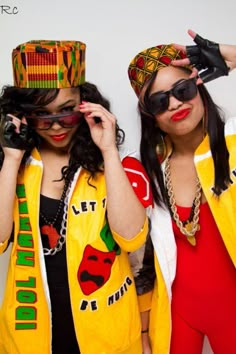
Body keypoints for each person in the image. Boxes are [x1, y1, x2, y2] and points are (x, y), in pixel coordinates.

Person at [0, 39, 154, 354]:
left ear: (85, 104)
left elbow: (131, 238)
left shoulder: (115, 163)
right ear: (23, 115)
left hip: (106, 335)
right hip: (32, 333)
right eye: (42, 114)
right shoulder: (14, 166)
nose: (56, 126)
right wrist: (12, 159)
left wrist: (108, 149)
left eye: (67, 112)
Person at [127, 30, 236, 354]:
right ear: (151, 116)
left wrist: (232, 56)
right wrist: (144, 328)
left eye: (183, 89)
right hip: (176, 315)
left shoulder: (234, 143)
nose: (175, 103)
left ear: (199, 87)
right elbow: (141, 259)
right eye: (160, 101)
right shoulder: (147, 172)